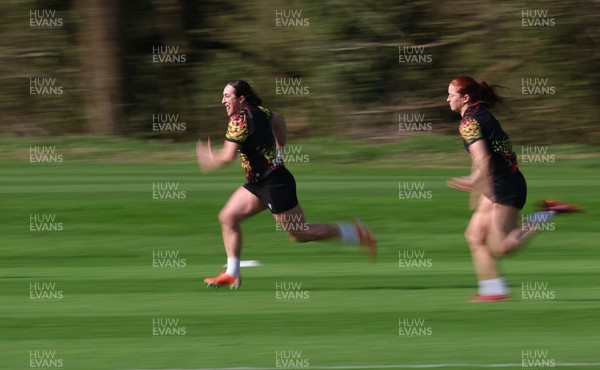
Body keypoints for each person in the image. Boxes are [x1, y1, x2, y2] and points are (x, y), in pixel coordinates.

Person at [195, 80, 376, 289]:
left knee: (300, 234)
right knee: (228, 217)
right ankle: (232, 274)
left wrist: (211, 158)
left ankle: (356, 234)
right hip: (259, 182)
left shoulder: (239, 121)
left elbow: (227, 157)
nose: (222, 101)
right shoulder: (259, 111)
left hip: (275, 184)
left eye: (227, 96)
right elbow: (280, 121)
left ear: (241, 99)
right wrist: (280, 151)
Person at [446, 76, 580, 302]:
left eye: (451, 94)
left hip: (503, 185)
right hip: (503, 181)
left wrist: (473, 181)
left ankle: (547, 213)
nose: (447, 98)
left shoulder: (469, 122)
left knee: (502, 248)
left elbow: (484, 157)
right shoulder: (482, 115)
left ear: (465, 98)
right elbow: (490, 152)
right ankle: (493, 290)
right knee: (475, 236)